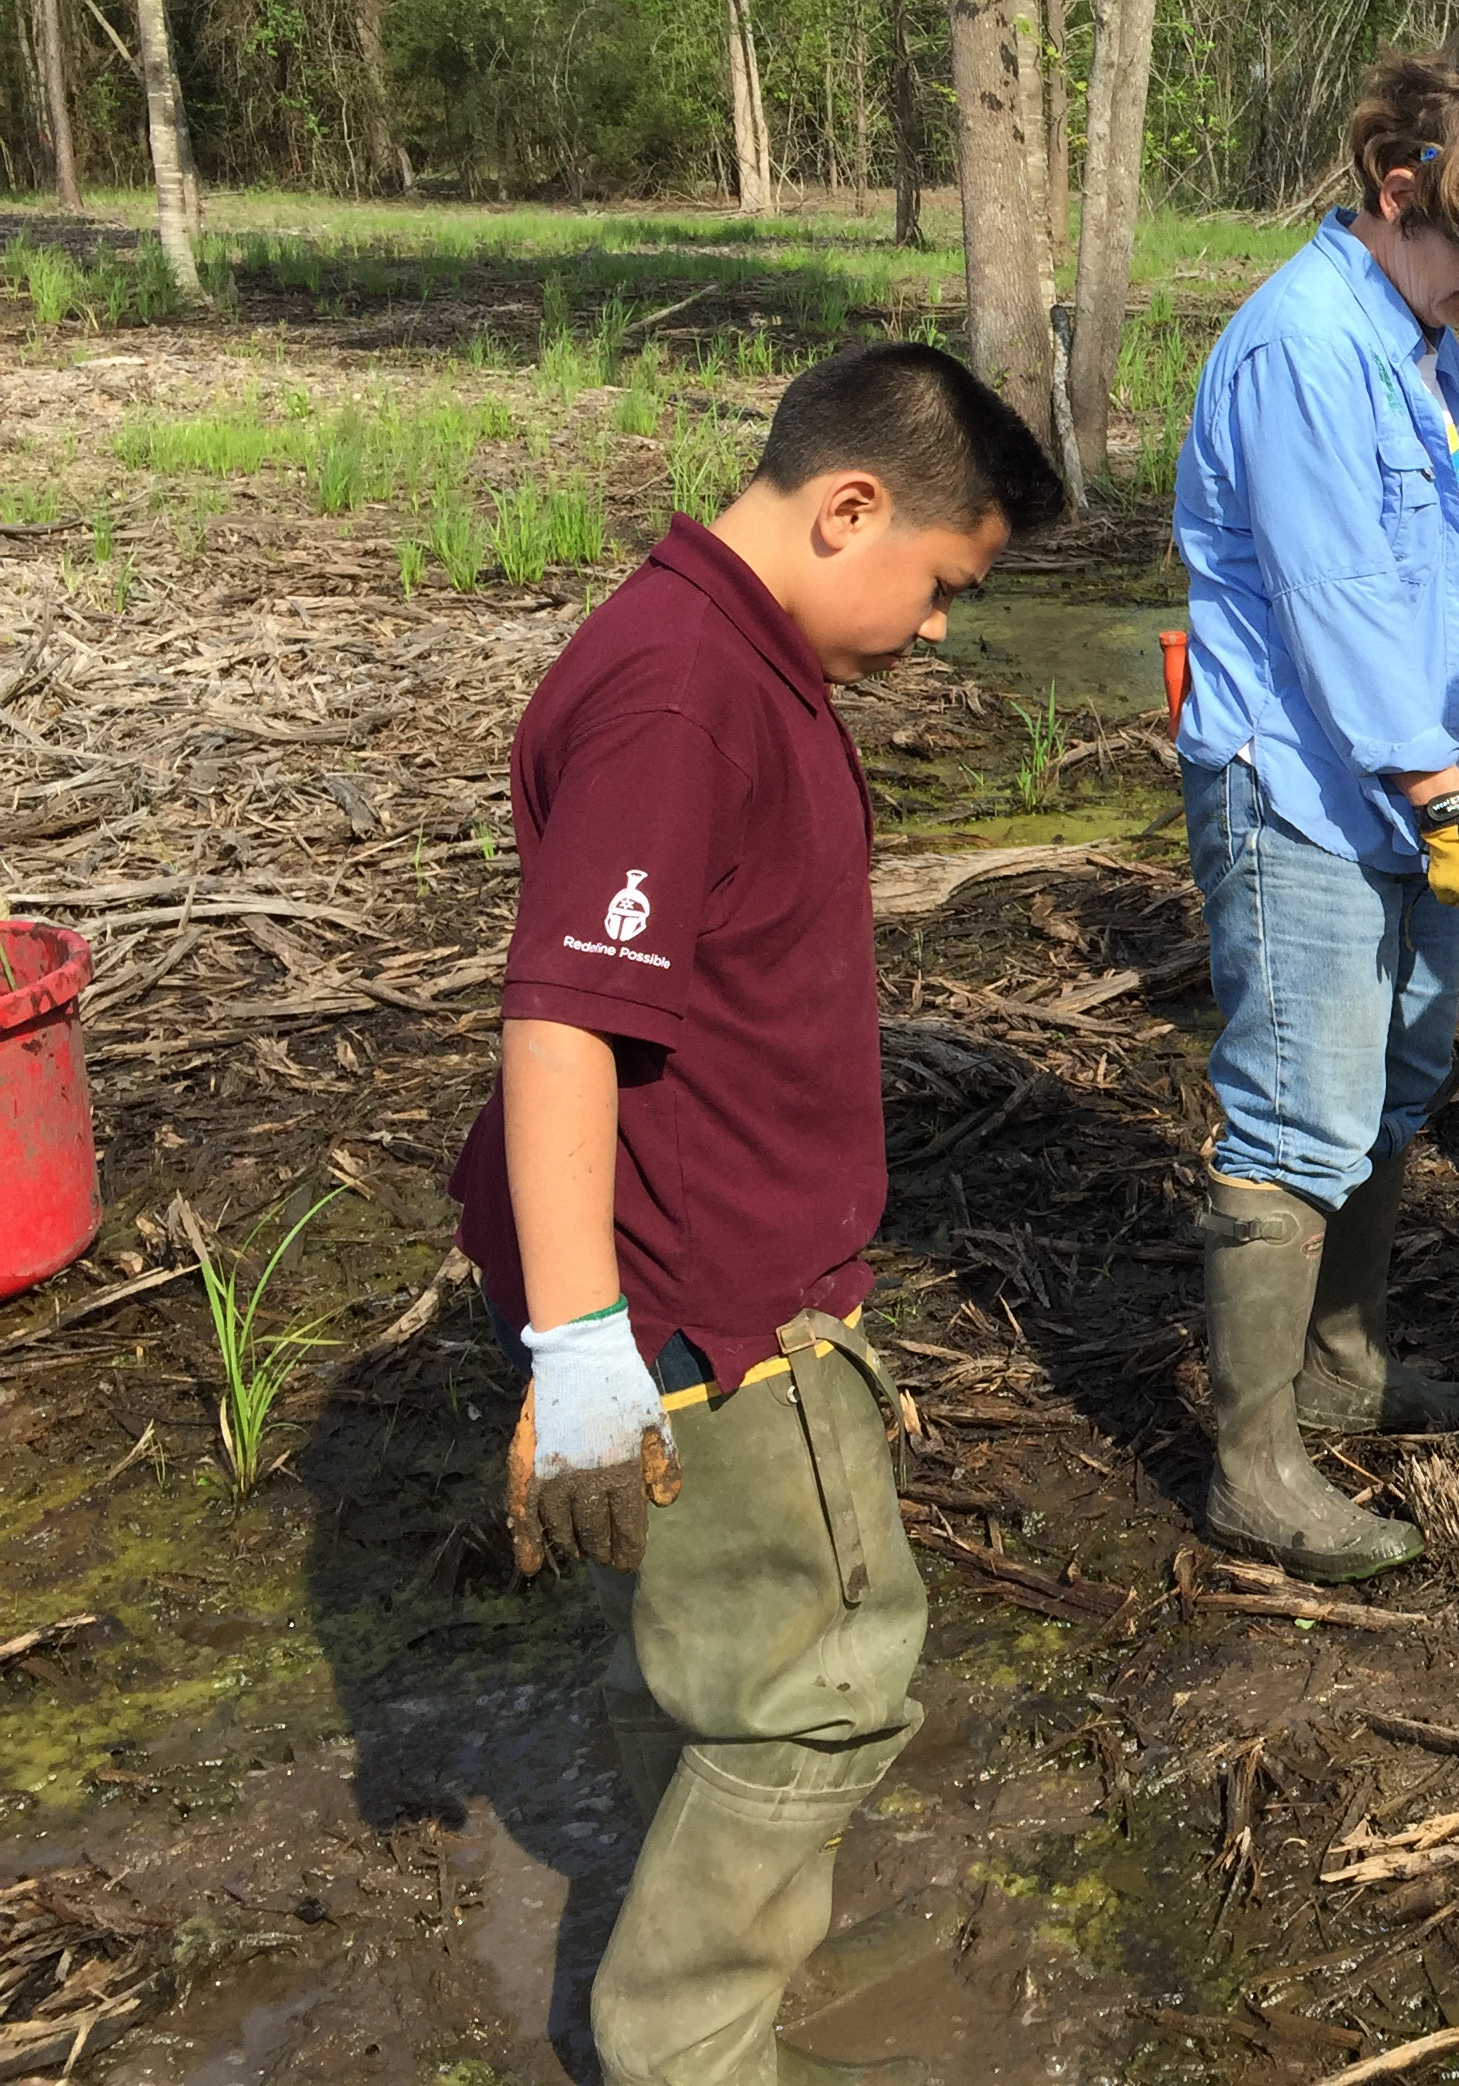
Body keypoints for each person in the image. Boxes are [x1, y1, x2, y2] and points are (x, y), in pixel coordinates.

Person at [446, 344, 1066, 2086]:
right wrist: (582, 1350)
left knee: (734, 1661)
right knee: (833, 1683)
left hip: (705, 1261)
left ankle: (678, 1949)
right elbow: (565, 1014)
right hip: (706, 1299)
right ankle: (684, 2044)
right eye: (940, 584)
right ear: (845, 506)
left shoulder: (718, 647)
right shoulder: (680, 693)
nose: (936, 628)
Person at [1171, 48, 1459, 1584]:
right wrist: (1439, 795)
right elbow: (1341, 608)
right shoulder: (1302, 347)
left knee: (1392, 1083)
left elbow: (1445, 585)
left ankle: (1350, 1374)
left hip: (1425, 787)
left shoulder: (1414, 334)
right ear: (1397, 190)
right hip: (1307, 790)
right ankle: (1255, 1464)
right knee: (1298, 1115)